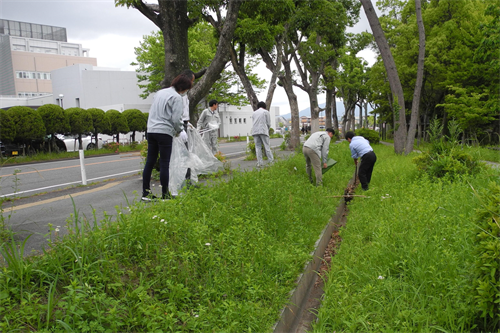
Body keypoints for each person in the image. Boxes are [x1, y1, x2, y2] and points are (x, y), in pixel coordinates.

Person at [142, 74, 192, 201]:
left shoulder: (159, 93)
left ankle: (146, 193)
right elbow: (176, 119)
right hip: (164, 132)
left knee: (150, 162)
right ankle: (165, 194)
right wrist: (180, 130)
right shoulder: (176, 97)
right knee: (164, 163)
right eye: (186, 89)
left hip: (151, 130)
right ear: (183, 88)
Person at [251, 101, 274, 167]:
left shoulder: (254, 113)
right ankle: (271, 161)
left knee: (258, 147)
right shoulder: (266, 112)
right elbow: (268, 123)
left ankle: (259, 163)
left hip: (255, 131)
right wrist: (268, 129)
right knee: (267, 146)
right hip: (263, 130)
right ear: (264, 106)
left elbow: (253, 122)